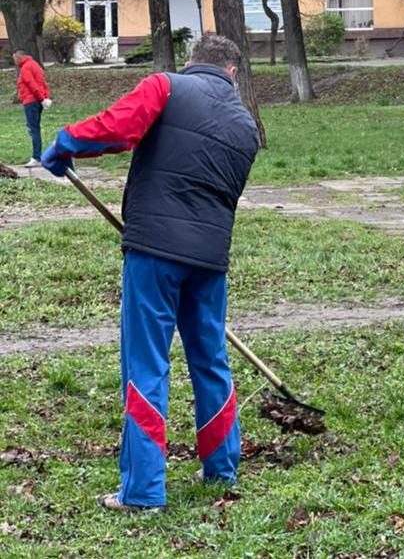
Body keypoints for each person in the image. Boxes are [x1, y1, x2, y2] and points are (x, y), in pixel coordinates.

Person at [41, 34, 259, 512]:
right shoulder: (247, 127)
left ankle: (142, 492)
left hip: (155, 253)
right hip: (210, 259)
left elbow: (117, 130)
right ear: (232, 74)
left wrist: (64, 143)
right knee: (210, 359)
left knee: (146, 365)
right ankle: (221, 469)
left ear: (192, 62)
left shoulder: (166, 86)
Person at [14, 49, 52, 167]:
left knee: (33, 129)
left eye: (14, 58)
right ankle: (37, 156)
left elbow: (32, 85)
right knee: (35, 128)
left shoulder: (25, 68)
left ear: (19, 57)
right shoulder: (35, 65)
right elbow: (43, 84)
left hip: (31, 101)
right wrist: (45, 98)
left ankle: (36, 157)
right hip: (37, 101)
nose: (14, 61)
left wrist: (41, 99)